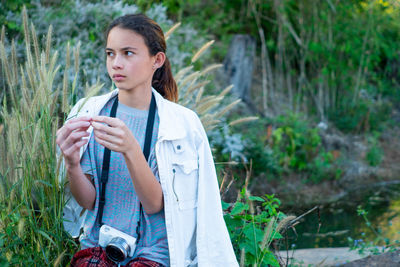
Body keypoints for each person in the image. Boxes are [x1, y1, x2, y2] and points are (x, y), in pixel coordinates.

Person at [56, 14, 238, 267]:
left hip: (154, 254)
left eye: (128, 53)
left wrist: (131, 149)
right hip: (99, 248)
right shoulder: (89, 113)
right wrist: (72, 164)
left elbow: (154, 205)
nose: (116, 64)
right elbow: (89, 201)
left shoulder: (180, 125)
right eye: (110, 53)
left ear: (157, 60)